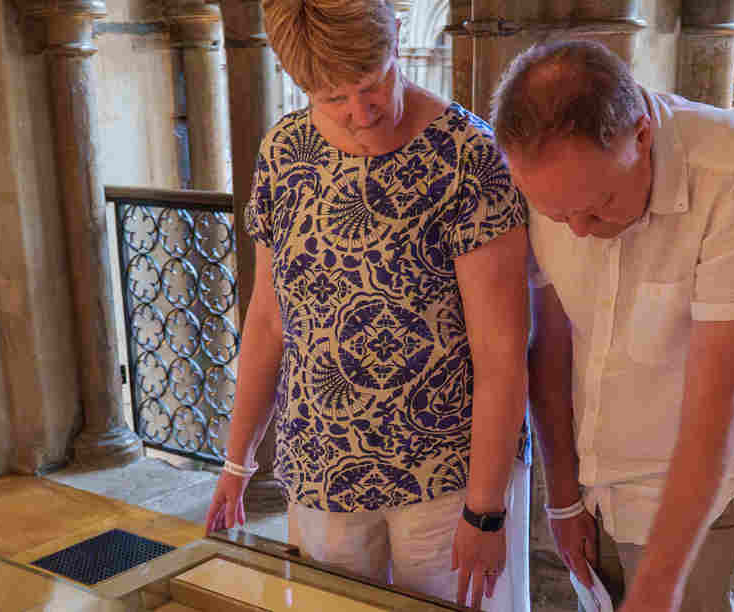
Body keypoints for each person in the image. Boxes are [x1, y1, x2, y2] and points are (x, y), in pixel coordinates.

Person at [204, 1, 531, 610]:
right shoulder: (284, 153)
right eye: (332, 97)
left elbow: (503, 348)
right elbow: (269, 319)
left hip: (447, 477)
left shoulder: (467, 155)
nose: (361, 112)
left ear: (398, 39)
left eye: (372, 82)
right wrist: (238, 460)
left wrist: (487, 512)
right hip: (320, 467)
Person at [490, 40, 734, 611]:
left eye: (599, 203)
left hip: (710, 489)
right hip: (599, 474)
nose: (579, 230)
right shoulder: (547, 176)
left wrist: (658, 586)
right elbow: (552, 342)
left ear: (641, 135)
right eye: (558, 216)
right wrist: (563, 495)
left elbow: (719, 403)